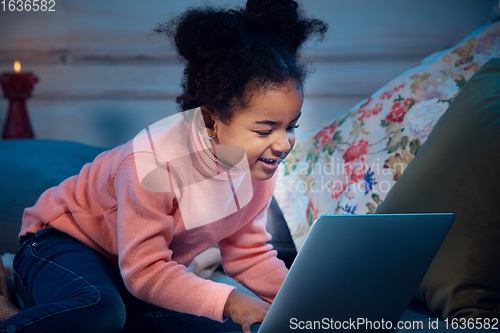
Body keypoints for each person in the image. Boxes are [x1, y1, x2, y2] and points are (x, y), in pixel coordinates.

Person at [0, 0, 327, 332]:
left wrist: (310, 307)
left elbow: (248, 254)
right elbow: (145, 271)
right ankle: (11, 310)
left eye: (291, 127)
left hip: (127, 272)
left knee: (231, 327)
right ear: (211, 120)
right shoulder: (152, 162)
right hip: (61, 244)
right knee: (100, 309)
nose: (283, 144)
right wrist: (230, 299)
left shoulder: (259, 169)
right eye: (264, 130)